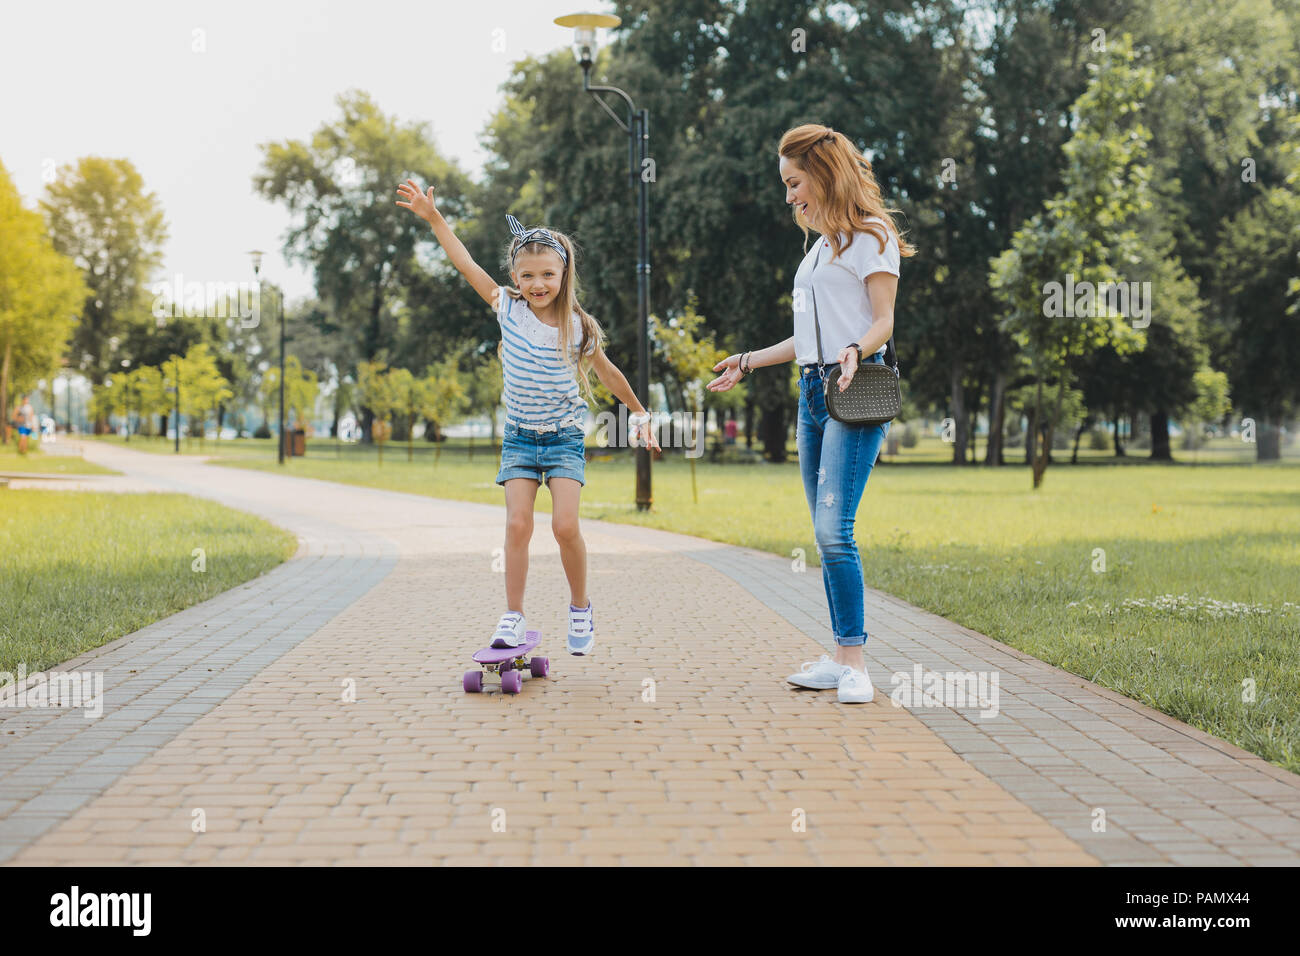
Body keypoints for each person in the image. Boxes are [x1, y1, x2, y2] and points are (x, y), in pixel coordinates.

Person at [396, 179, 659, 656]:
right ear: (516, 278)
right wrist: (434, 218)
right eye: (528, 276)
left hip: (563, 439)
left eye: (547, 275)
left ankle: (580, 606)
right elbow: (466, 263)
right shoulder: (507, 310)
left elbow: (611, 375)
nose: (537, 285)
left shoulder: (578, 327)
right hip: (519, 438)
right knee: (517, 526)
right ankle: (513, 616)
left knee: (564, 527)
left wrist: (639, 415)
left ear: (564, 276)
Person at [707, 124, 916, 704]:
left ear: (823, 174)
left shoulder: (872, 236)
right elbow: (806, 339)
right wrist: (747, 362)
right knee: (825, 535)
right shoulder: (819, 249)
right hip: (811, 396)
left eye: (795, 182)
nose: (790, 194)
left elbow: (884, 321)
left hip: (852, 391)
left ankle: (855, 664)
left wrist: (855, 350)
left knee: (833, 530)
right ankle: (839, 653)